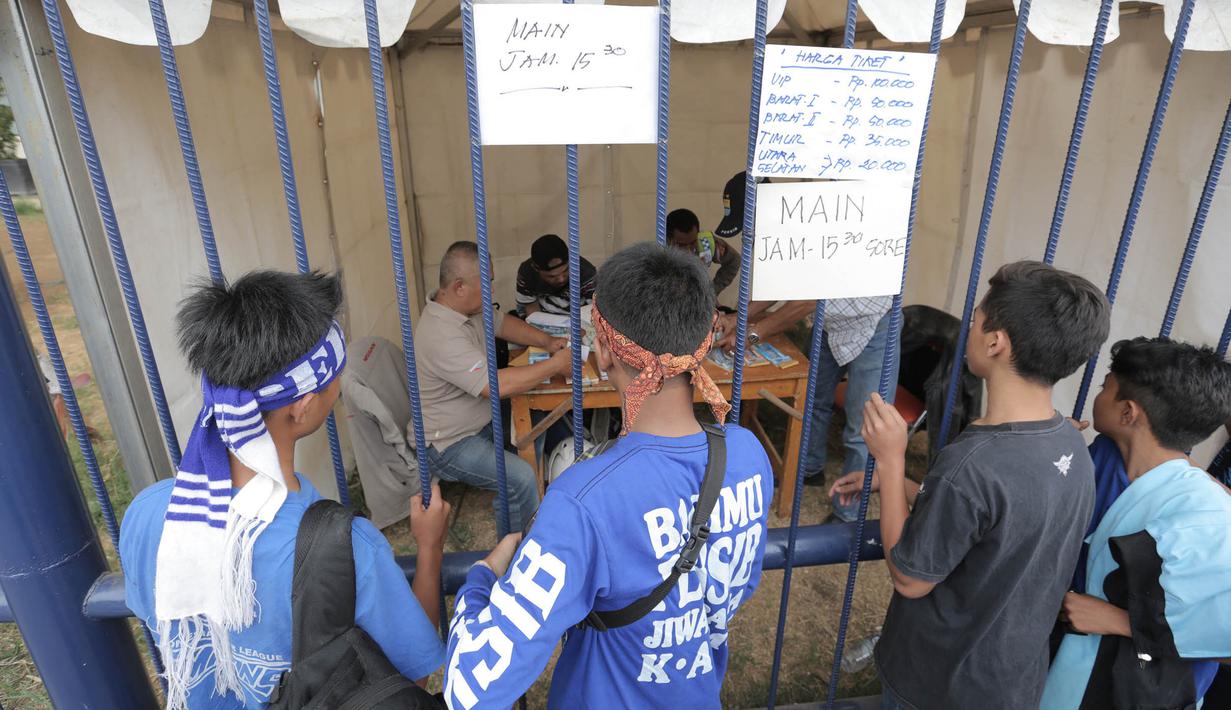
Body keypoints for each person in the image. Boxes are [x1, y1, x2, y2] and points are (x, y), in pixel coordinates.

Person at [444, 243, 773, 709]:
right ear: (703, 339)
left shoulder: (582, 501)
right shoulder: (747, 453)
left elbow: (468, 690)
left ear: (603, 350)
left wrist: (480, 580)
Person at [119, 271, 448, 708]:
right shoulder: (350, 546)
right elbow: (411, 675)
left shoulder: (147, 515)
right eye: (334, 377)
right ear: (305, 406)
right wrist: (429, 549)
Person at [860, 260, 1111, 710]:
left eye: (974, 320)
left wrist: (891, 459)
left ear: (996, 342)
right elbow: (995, 521)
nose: (969, 329)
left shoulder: (973, 462)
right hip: (1010, 681)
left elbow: (910, 578)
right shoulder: (1070, 443)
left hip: (937, 684)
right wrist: (903, 485)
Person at [1042, 337, 1231, 709]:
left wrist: (1120, 621)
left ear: (1128, 412)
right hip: (1070, 671)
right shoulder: (1105, 456)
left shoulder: (1208, 516)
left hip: (1140, 693)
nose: (1097, 395)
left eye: (1104, 387)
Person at [415, 240, 572, 537]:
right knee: (519, 478)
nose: (490, 288)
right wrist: (555, 365)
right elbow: (494, 385)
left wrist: (548, 342)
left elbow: (504, 325)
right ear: (459, 286)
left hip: (482, 417)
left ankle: (527, 503)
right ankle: (513, 553)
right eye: (485, 282)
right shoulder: (439, 333)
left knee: (538, 416)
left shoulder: (467, 309)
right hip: (450, 440)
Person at [515, 233, 596, 317]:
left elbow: (597, 310)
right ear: (536, 269)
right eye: (551, 276)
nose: (561, 279)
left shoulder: (586, 271)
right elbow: (531, 309)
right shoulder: (528, 272)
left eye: (566, 270)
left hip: (579, 319)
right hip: (544, 319)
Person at [666, 208, 741, 297]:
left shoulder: (706, 243)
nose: (688, 250)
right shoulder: (660, 252)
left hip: (699, 297)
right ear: (669, 239)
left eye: (693, 243)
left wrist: (713, 291)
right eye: (681, 245)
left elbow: (734, 260)